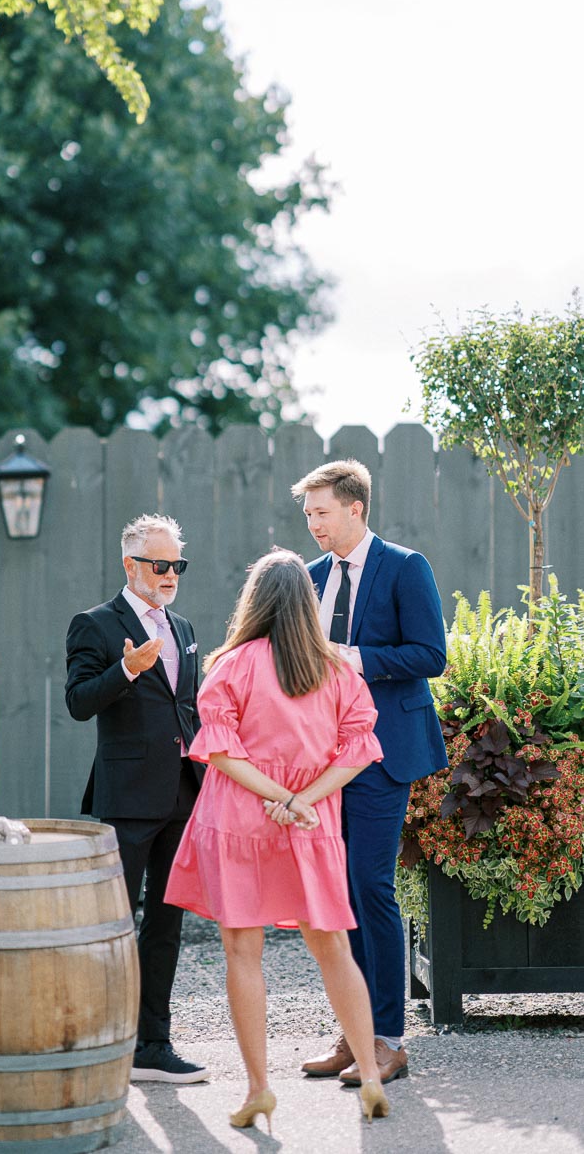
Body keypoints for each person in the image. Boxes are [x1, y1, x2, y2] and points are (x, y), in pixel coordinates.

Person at [164, 549, 389, 1129]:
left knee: (243, 952)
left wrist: (277, 797)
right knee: (333, 948)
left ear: (255, 602)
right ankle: (369, 1074)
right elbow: (359, 750)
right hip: (310, 824)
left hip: (239, 820)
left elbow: (218, 749)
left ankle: (259, 1088)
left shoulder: (232, 664)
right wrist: (301, 800)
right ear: (309, 605)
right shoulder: (337, 669)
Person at [291, 459, 448, 1086]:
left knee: (370, 887)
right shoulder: (309, 577)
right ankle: (355, 1033)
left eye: (322, 512)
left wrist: (352, 658)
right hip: (324, 759)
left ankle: (388, 1040)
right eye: (308, 514)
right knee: (337, 893)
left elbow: (430, 654)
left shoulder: (406, 567)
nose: (313, 524)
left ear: (355, 508)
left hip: (385, 754)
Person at [65, 513, 208, 1084]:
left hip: (182, 794)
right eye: (160, 564)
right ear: (131, 565)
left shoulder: (184, 627)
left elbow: (187, 708)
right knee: (113, 923)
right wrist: (126, 668)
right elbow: (78, 702)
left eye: (178, 564)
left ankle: (153, 1044)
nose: (171, 574)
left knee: (166, 925)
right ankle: (102, 1043)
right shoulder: (95, 624)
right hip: (126, 799)